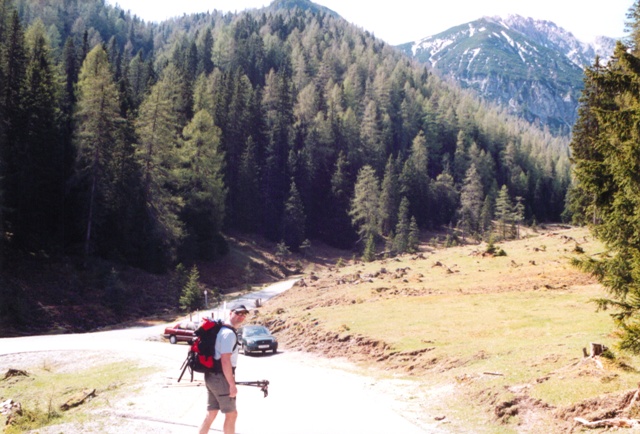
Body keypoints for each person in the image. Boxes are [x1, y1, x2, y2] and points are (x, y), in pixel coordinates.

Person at [198, 304, 249, 434]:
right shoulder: (228, 334)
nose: (241, 316)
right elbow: (225, 360)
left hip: (212, 376)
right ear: (231, 312)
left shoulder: (221, 330)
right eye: (238, 313)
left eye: (244, 314)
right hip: (221, 378)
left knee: (212, 413)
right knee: (232, 414)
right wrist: (232, 385)